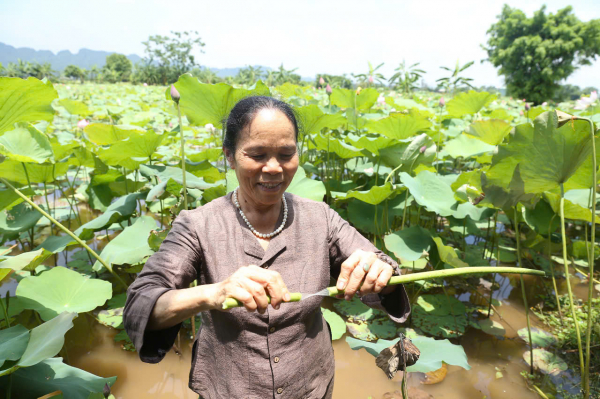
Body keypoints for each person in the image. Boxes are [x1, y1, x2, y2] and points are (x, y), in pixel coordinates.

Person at [123, 96, 410, 399]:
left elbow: (380, 266)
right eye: (257, 154)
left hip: (310, 387)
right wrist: (214, 293)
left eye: (286, 154)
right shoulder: (198, 225)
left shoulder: (320, 218)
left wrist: (380, 272)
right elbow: (142, 305)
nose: (274, 168)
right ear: (229, 156)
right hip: (229, 390)